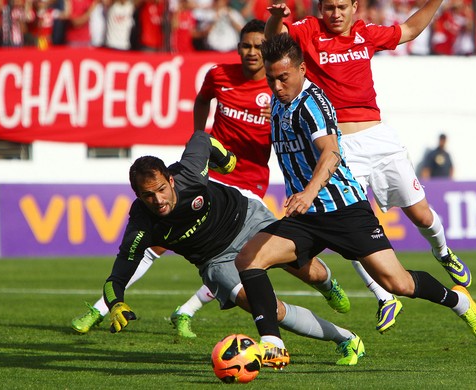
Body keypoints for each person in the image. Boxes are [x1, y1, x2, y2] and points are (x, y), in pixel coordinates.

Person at [71, 19, 351, 338]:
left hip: (249, 187)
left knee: (304, 269)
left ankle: (327, 285)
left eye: (259, 46)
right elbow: (201, 121)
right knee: (155, 246)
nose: (251, 52)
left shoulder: (279, 87)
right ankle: (105, 307)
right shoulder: (219, 76)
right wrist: (219, 156)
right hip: (215, 178)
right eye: (245, 45)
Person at [235, 33, 476, 368]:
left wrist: (309, 193)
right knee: (248, 259)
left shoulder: (313, 104)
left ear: (302, 70)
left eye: (283, 77)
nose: (278, 85)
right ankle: (273, 344)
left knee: (398, 283)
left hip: (344, 211)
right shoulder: (279, 101)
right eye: (271, 79)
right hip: (307, 218)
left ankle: (457, 301)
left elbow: (332, 153)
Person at [265, 0, 473, 333]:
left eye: (342, 6)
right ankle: (383, 296)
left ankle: (444, 252)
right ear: (320, 8)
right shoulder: (307, 31)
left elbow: (410, 30)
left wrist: (435, 2)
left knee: (420, 215)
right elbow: (274, 43)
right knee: (349, 218)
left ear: (354, 7)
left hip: (378, 137)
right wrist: (275, 18)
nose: (335, 13)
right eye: (329, 7)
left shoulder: (366, 33)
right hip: (342, 146)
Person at [102, 131, 366, 367]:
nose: (158, 200)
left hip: (247, 220)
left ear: (170, 180)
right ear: (137, 195)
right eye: (148, 195)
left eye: (161, 189)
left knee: (314, 273)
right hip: (215, 260)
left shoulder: (190, 174)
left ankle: (329, 287)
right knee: (267, 308)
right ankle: (346, 338)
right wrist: (116, 303)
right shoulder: (141, 223)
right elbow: (119, 273)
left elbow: (201, 139)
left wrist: (226, 158)